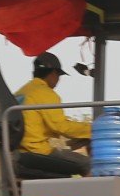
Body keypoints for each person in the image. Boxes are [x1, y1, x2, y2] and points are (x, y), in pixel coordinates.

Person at [13, 52, 92, 180]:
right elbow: (61, 127)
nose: (58, 80)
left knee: (70, 155)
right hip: (36, 151)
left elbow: (36, 124)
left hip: (19, 151)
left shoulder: (21, 92)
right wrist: (93, 130)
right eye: (59, 75)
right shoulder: (46, 93)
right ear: (53, 73)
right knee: (89, 164)